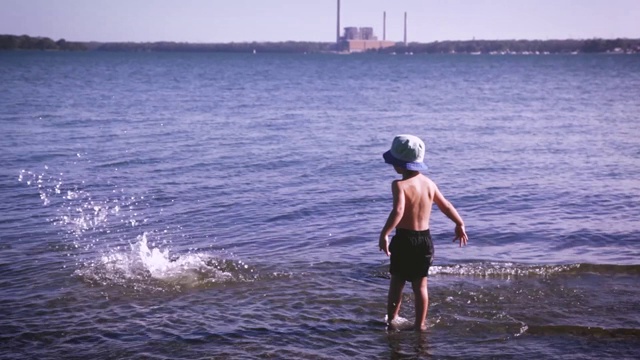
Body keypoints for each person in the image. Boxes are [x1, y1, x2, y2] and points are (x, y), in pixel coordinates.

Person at [379, 134, 468, 331]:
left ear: (400, 165)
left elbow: (399, 211)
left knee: (397, 284)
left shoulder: (399, 185)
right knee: (420, 286)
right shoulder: (429, 183)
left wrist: (385, 233)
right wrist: (459, 223)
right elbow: (446, 206)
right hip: (424, 240)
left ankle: (392, 321)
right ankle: (420, 325)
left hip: (404, 239)